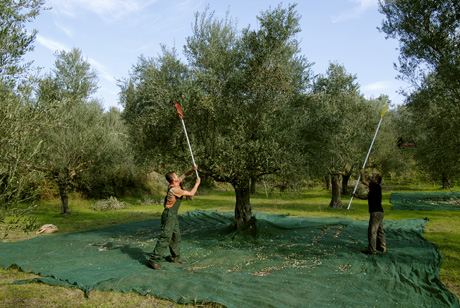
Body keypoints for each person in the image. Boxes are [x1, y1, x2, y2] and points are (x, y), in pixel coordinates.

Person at [148, 165, 201, 270]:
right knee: (166, 237)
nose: (179, 177)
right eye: (177, 176)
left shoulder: (176, 183)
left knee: (176, 236)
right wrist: (197, 183)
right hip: (169, 215)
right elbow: (191, 193)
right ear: (173, 179)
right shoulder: (174, 190)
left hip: (173, 215)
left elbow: (184, 175)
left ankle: (175, 258)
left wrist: (192, 169)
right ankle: (154, 260)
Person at [352, 168, 386, 255]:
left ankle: (372, 250)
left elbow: (363, 181)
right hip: (379, 212)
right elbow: (367, 197)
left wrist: (362, 173)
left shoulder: (375, 186)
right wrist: (356, 196)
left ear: (376, 180)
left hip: (375, 212)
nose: (371, 177)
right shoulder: (375, 189)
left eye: (373, 177)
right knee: (380, 230)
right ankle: (382, 247)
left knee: (372, 231)